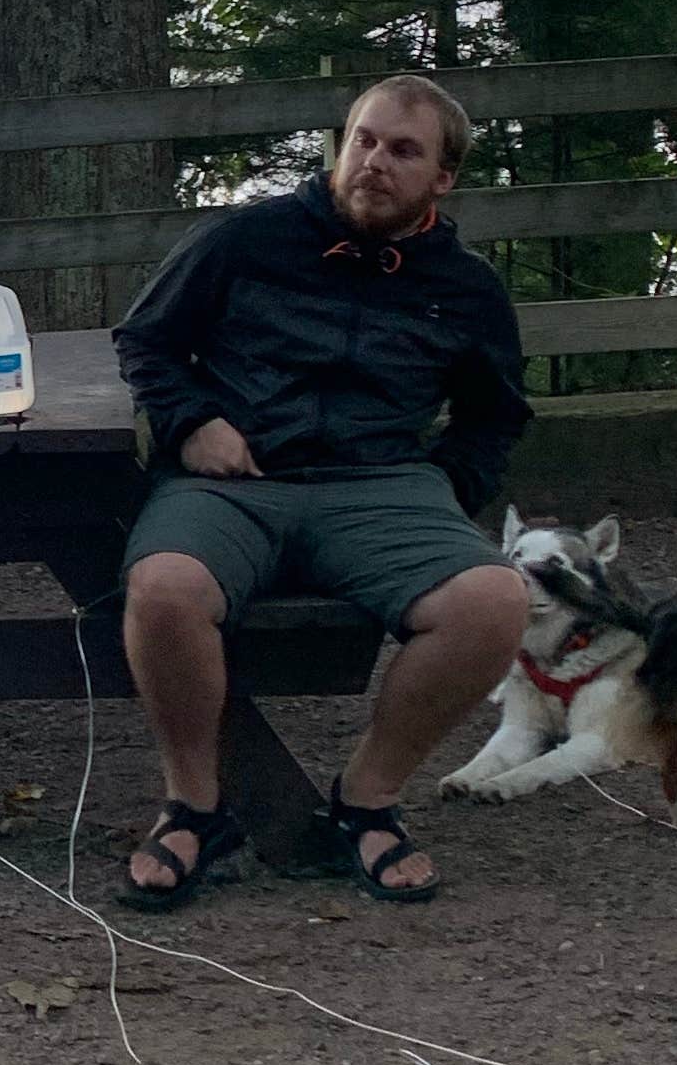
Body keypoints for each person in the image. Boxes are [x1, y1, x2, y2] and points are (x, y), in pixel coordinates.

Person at [111, 73, 532, 911]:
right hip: (235, 482)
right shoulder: (243, 239)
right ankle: (195, 806)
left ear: (442, 179)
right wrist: (194, 421)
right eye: (363, 141)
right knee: (162, 591)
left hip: (385, 487)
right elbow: (145, 342)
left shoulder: (468, 287)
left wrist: (447, 489)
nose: (374, 162)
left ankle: (367, 799)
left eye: (403, 150)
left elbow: (496, 415)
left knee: (495, 600)